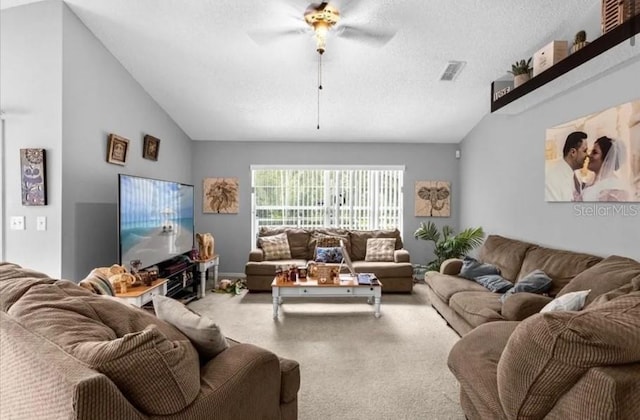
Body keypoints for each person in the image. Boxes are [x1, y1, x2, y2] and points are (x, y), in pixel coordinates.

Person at [580, 136, 632, 202]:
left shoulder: (614, 186)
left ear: (607, 159)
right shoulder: (591, 183)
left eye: (595, 152)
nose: (589, 155)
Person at [545, 131, 589, 201]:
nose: (587, 155)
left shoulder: (575, 174)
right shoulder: (554, 177)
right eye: (585, 151)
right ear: (573, 152)